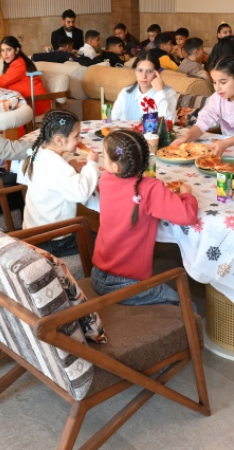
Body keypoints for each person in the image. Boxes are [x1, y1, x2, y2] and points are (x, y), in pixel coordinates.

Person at [92, 129, 198, 307]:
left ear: (115, 167)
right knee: (189, 306)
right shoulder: (150, 188)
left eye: (105, 156)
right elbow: (188, 215)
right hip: (126, 285)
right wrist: (187, 194)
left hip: (97, 275)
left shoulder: (106, 180)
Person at [19, 110, 99, 256]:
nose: (80, 139)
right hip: (54, 240)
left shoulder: (38, 152)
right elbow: (81, 193)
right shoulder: (56, 165)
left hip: (33, 231)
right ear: (59, 140)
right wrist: (92, 164)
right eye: (76, 136)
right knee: (105, 242)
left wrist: (69, 162)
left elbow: (53, 171)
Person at [172, 57, 234, 155]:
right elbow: (203, 122)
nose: (217, 88)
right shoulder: (217, 98)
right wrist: (187, 137)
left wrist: (226, 143)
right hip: (233, 149)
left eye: (223, 82)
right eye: (214, 82)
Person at [0, 36, 50, 115]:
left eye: (8, 50)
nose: (5, 54)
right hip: (24, 100)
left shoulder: (19, 64)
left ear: (17, 50)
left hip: (35, 102)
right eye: (2, 50)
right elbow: (2, 83)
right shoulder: (14, 63)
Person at [110, 51, 177, 122]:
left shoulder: (168, 92)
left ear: (157, 73)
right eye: (140, 70)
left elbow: (169, 122)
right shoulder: (126, 92)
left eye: (149, 71)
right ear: (135, 71)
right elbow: (113, 119)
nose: (144, 76)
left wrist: (160, 92)